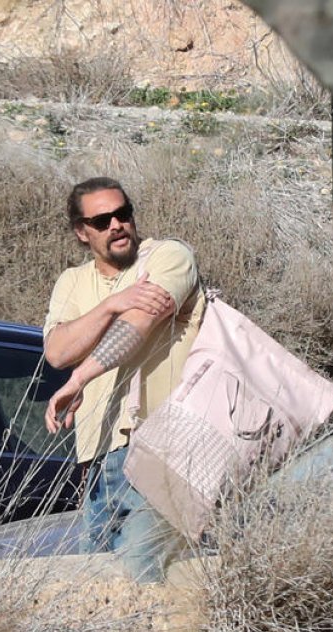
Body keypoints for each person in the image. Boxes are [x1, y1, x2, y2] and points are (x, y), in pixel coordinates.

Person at [42, 176, 205, 583]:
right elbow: (57, 350)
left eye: (123, 214)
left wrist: (80, 377)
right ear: (82, 232)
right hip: (98, 457)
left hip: (161, 445)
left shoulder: (169, 257)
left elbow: (138, 326)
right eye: (102, 220)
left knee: (147, 579)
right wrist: (112, 304)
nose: (116, 225)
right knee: (101, 587)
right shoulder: (73, 282)